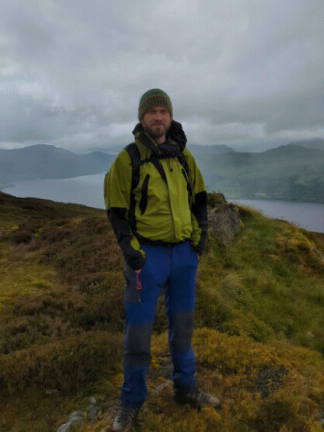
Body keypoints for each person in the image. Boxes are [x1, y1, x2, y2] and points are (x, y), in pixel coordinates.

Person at [104, 89, 220, 431]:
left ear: (170, 116)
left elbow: (200, 199)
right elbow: (116, 211)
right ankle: (131, 403)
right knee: (138, 336)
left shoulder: (184, 157)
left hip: (183, 255)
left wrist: (198, 243)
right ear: (142, 118)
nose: (158, 117)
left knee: (182, 329)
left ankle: (185, 388)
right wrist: (131, 252)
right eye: (152, 112)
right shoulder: (128, 159)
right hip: (146, 260)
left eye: (163, 111)